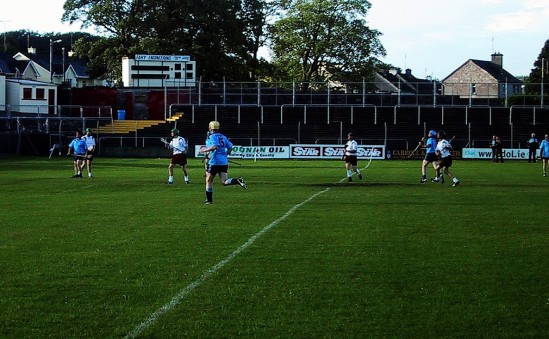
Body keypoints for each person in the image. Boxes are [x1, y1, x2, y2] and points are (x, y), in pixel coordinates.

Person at [202, 121, 247, 204]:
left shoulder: (212, 137)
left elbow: (215, 146)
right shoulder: (223, 136)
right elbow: (230, 147)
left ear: (210, 128)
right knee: (224, 181)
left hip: (214, 162)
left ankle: (209, 200)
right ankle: (237, 180)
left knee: (209, 180)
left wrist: (205, 150)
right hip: (223, 162)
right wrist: (226, 154)